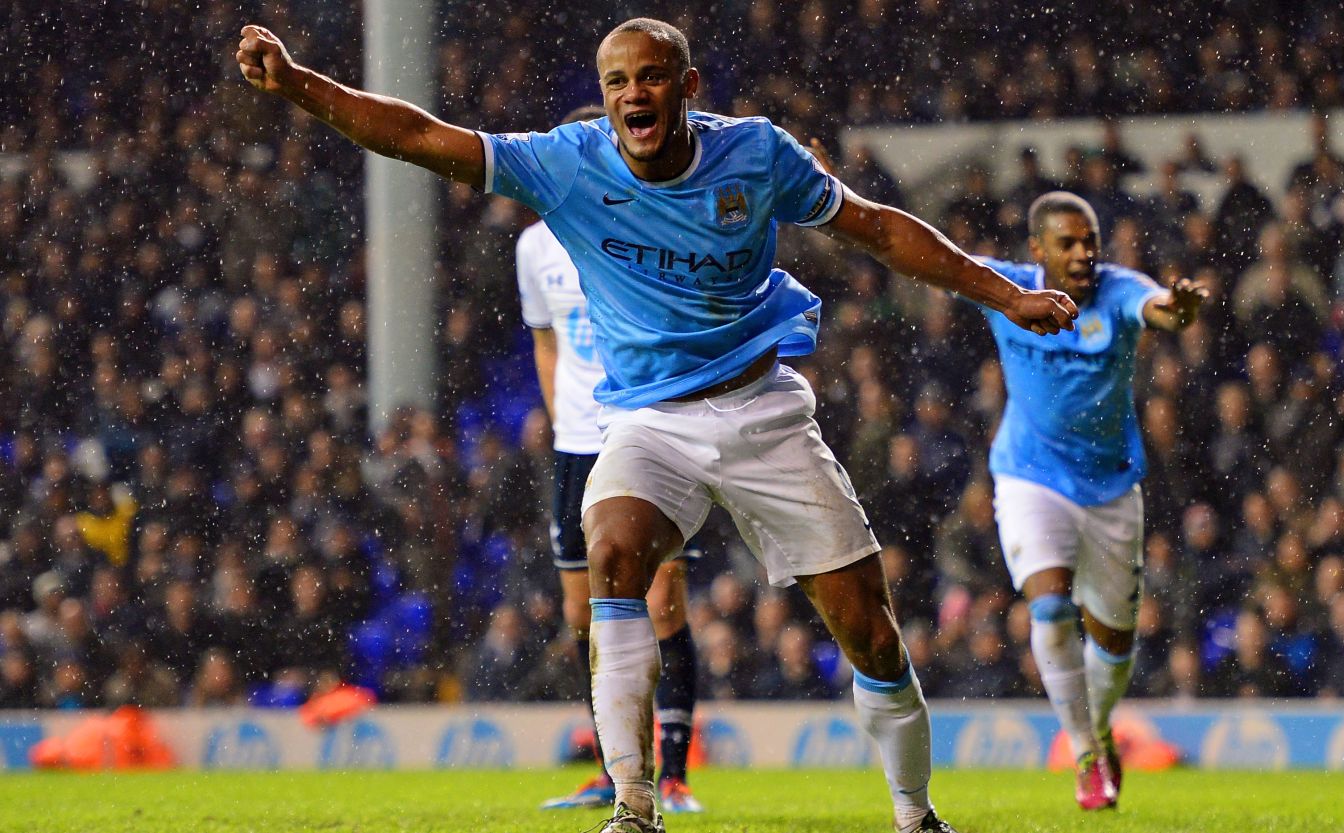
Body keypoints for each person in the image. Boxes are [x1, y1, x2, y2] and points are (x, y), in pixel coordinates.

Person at [236, 18, 1076, 833]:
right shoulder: (568, 165)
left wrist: (1007, 293)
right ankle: (634, 804)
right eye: (616, 81)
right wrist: (302, 85)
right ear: (603, 98)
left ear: (686, 87)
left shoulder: (755, 153)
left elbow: (880, 228)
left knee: (870, 630)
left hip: (762, 412)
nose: (633, 94)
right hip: (648, 422)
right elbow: (420, 135)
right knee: (612, 555)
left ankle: (914, 812)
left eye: (650, 76)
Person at [976, 192, 1204, 811]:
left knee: (1113, 641)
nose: (1084, 254)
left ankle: (1099, 729)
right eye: (1069, 243)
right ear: (1037, 249)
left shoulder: (1117, 289)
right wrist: (839, 205)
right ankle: (1083, 751)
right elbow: (925, 258)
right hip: (1029, 476)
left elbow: (1158, 308)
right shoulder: (1005, 288)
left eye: (1090, 241)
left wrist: (1178, 311)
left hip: (1109, 488)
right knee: (1048, 608)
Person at [517, 105, 701, 816]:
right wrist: (565, 416)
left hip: (647, 433)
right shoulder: (534, 245)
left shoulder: (647, 224)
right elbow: (544, 339)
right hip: (575, 449)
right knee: (582, 614)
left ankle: (675, 772)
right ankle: (612, 765)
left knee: (661, 604)